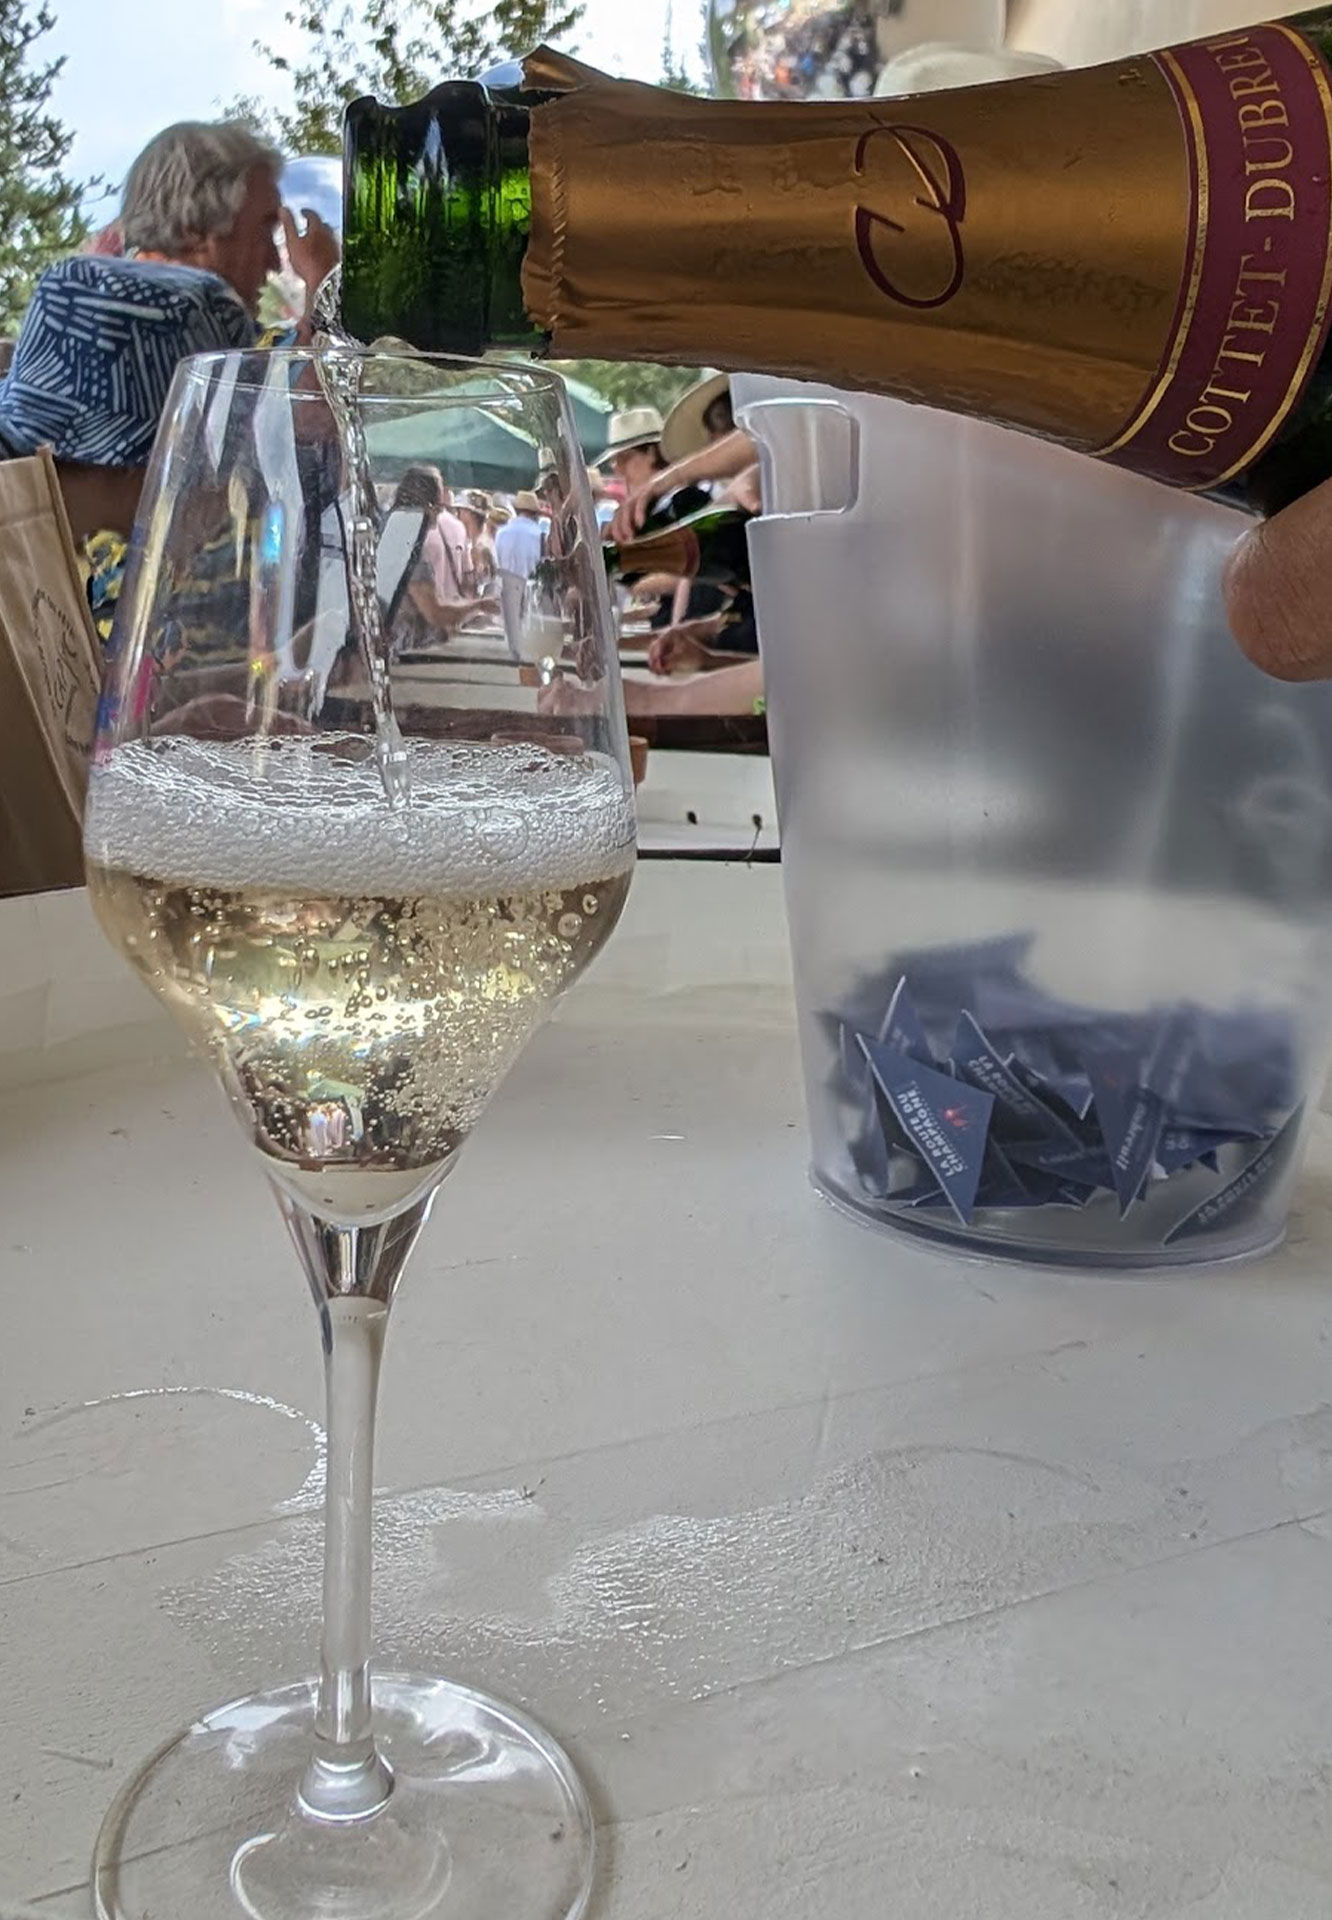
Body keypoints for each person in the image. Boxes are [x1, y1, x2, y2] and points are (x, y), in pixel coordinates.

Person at [119, 121, 339, 327]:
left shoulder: (130, 305)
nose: (275, 263)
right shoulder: (160, 319)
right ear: (194, 227)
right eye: (264, 231)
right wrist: (320, 281)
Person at [387, 465, 485, 650]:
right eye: (438, 506)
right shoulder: (409, 545)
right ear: (426, 504)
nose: (439, 513)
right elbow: (435, 613)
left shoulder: (391, 531)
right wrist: (479, 606)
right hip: (405, 650)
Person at [495, 490, 546, 657]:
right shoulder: (539, 534)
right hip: (532, 586)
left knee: (512, 631)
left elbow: (497, 561)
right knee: (530, 629)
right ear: (535, 513)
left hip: (507, 584)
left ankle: (514, 655)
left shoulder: (501, 533)